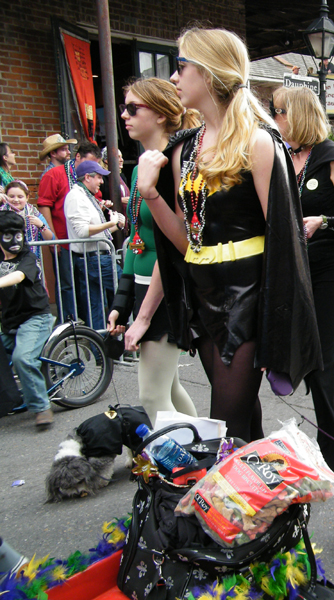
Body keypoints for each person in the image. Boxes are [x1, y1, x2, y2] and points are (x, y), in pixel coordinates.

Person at [137, 27, 321, 443]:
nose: (174, 77)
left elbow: (285, 242)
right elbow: (185, 241)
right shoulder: (184, 149)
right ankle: (263, 484)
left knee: (225, 426)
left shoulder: (259, 142)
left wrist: (278, 327)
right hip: (202, 298)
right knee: (242, 423)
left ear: (208, 72)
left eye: (181, 65)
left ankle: (228, 489)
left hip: (249, 300)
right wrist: (150, 193)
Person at [272, 85, 334, 473]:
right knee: (311, 355)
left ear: (296, 114)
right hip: (299, 267)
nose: (275, 118)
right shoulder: (284, 157)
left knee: (323, 359)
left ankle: (331, 449)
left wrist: (325, 221)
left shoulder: (328, 156)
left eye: (279, 111)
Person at [105, 77, 200, 423]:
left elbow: (173, 246)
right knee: (169, 390)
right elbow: (136, 238)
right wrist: (122, 300)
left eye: (133, 108)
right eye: (123, 108)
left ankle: (188, 455)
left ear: (160, 114)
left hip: (168, 291)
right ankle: (205, 449)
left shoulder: (174, 166)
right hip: (145, 289)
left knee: (152, 395)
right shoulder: (142, 168)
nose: (124, 116)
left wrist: (144, 315)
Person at [0, 211, 56, 427]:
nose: (15, 240)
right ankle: (8, 399)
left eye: (18, 234)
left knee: (23, 358)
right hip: (11, 320)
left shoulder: (28, 258)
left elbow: (19, 276)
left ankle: (41, 407)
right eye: (8, 235)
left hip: (35, 317)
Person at [38, 141, 101, 323]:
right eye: (89, 162)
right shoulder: (54, 174)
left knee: (88, 284)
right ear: (78, 157)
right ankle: (69, 323)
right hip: (64, 240)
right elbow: (44, 205)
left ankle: (91, 323)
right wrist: (53, 238)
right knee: (66, 284)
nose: (92, 168)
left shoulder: (90, 178)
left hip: (86, 242)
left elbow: (95, 199)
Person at [63, 160, 125, 330]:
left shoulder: (85, 196)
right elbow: (82, 231)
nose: (101, 182)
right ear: (87, 177)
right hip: (94, 259)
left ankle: (101, 342)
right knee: (125, 292)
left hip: (93, 257)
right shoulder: (76, 197)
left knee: (95, 307)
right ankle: (121, 336)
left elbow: (97, 234)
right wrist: (110, 222)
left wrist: (116, 225)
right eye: (98, 177)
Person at [0, 180, 54, 268]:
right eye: (11, 196)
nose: (16, 200)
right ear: (6, 196)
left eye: (20, 196)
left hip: (30, 262)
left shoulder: (35, 214)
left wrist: (41, 225)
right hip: (5, 263)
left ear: (27, 197)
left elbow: (51, 239)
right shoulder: (2, 213)